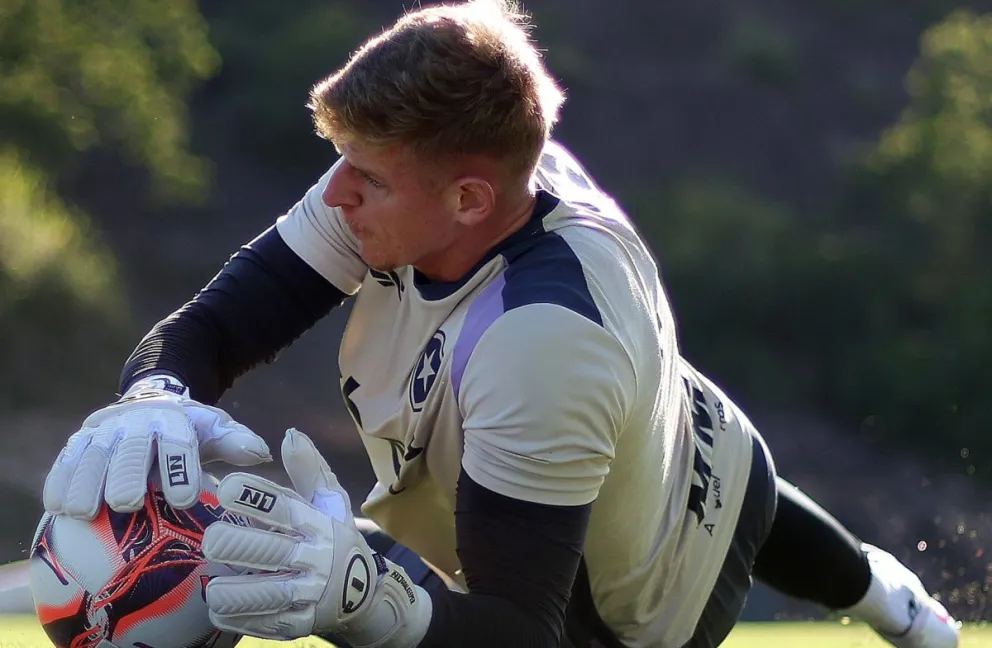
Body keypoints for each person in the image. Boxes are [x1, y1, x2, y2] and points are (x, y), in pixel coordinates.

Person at [41, 1, 961, 647]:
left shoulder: (542, 342)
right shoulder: (438, 182)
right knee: (761, 503)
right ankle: (896, 599)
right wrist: (155, 394)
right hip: (687, 432)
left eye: (369, 175)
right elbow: (211, 329)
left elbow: (521, 631)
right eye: (341, 157)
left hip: (635, 611)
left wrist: (365, 599)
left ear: (470, 201)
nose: (335, 192)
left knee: (359, 584)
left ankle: (899, 606)